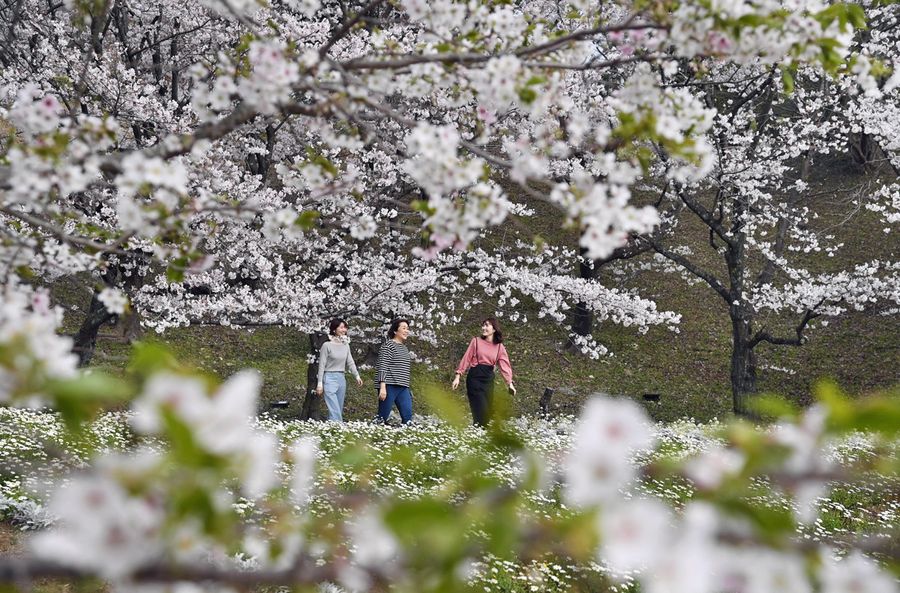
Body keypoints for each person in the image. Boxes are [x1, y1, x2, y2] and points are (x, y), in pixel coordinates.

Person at [452, 317, 516, 426]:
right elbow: (466, 358)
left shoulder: (499, 347)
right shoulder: (476, 341)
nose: (483, 328)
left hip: (488, 380)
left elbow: (505, 366)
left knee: (487, 413)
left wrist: (510, 384)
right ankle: (478, 434)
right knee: (480, 411)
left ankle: (479, 436)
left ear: (494, 329)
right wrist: (458, 375)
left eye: (487, 325)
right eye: (483, 325)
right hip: (475, 378)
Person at [316, 318, 363, 422]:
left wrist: (357, 376)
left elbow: (350, 362)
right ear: (334, 329)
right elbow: (322, 365)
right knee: (334, 409)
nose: (344, 330)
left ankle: (331, 432)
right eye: (341, 327)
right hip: (329, 378)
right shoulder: (326, 345)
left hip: (341, 378)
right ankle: (340, 429)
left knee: (338, 408)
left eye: (345, 327)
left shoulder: (345, 345)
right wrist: (320, 384)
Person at [375, 318, 413, 425]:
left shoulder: (404, 349)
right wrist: (382, 387)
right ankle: (373, 438)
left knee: (408, 417)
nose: (406, 331)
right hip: (389, 386)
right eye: (404, 328)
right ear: (395, 331)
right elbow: (382, 366)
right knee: (382, 417)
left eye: (407, 329)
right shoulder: (388, 346)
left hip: (403, 387)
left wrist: (407, 387)